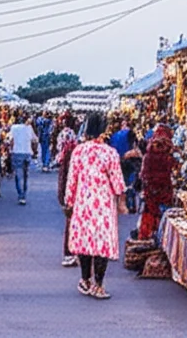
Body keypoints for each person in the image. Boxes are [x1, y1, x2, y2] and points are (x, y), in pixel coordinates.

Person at [65, 112, 125, 300]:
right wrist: (122, 203)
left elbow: (71, 179)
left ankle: (85, 280)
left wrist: (69, 201)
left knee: (85, 242)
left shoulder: (79, 151)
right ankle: (98, 285)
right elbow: (117, 181)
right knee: (101, 244)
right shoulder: (109, 153)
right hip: (103, 204)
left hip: (83, 203)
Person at [138, 124, 176, 241]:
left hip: (151, 192)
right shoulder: (168, 155)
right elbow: (172, 170)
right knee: (163, 217)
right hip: (164, 192)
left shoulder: (149, 154)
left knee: (151, 215)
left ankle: (148, 238)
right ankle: (161, 240)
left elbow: (144, 174)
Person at [56, 117, 80, 268]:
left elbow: (66, 178)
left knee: (71, 222)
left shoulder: (64, 139)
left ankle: (70, 253)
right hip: (85, 195)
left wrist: (65, 197)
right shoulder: (75, 143)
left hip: (71, 192)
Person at [8, 114, 37, 205]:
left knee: (18, 175)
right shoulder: (29, 128)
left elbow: (10, 140)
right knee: (25, 175)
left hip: (17, 153)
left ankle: (21, 195)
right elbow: (35, 140)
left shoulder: (14, 128)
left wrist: (11, 149)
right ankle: (23, 194)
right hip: (27, 153)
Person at [121, 139, 145, 213]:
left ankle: (131, 206)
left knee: (131, 189)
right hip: (133, 172)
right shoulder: (137, 154)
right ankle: (132, 206)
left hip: (131, 172)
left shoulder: (130, 153)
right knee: (132, 189)